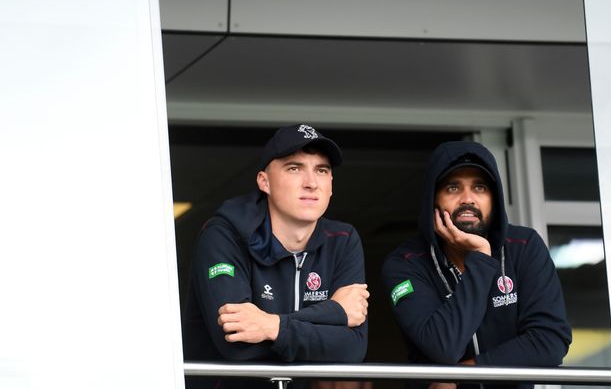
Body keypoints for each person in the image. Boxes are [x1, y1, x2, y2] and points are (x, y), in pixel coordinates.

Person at [183, 124, 369, 387]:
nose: (311, 183)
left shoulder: (343, 241)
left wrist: (271, 326)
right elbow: (239, 348)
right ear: (264, 182)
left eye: (321, 170)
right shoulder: (224, 235)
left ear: (331, 185)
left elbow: (353, 350)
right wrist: (334, 313)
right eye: (294, 168)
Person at [381, 141, 571, 389]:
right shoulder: (405, 263)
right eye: (453, 187)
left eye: (479, 187)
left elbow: (551, 341)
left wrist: (466, 371)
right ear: (433, 199)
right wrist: (481, 257)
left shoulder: (524, 246)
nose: (467, 199)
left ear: (494, 198)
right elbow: (443, 346)